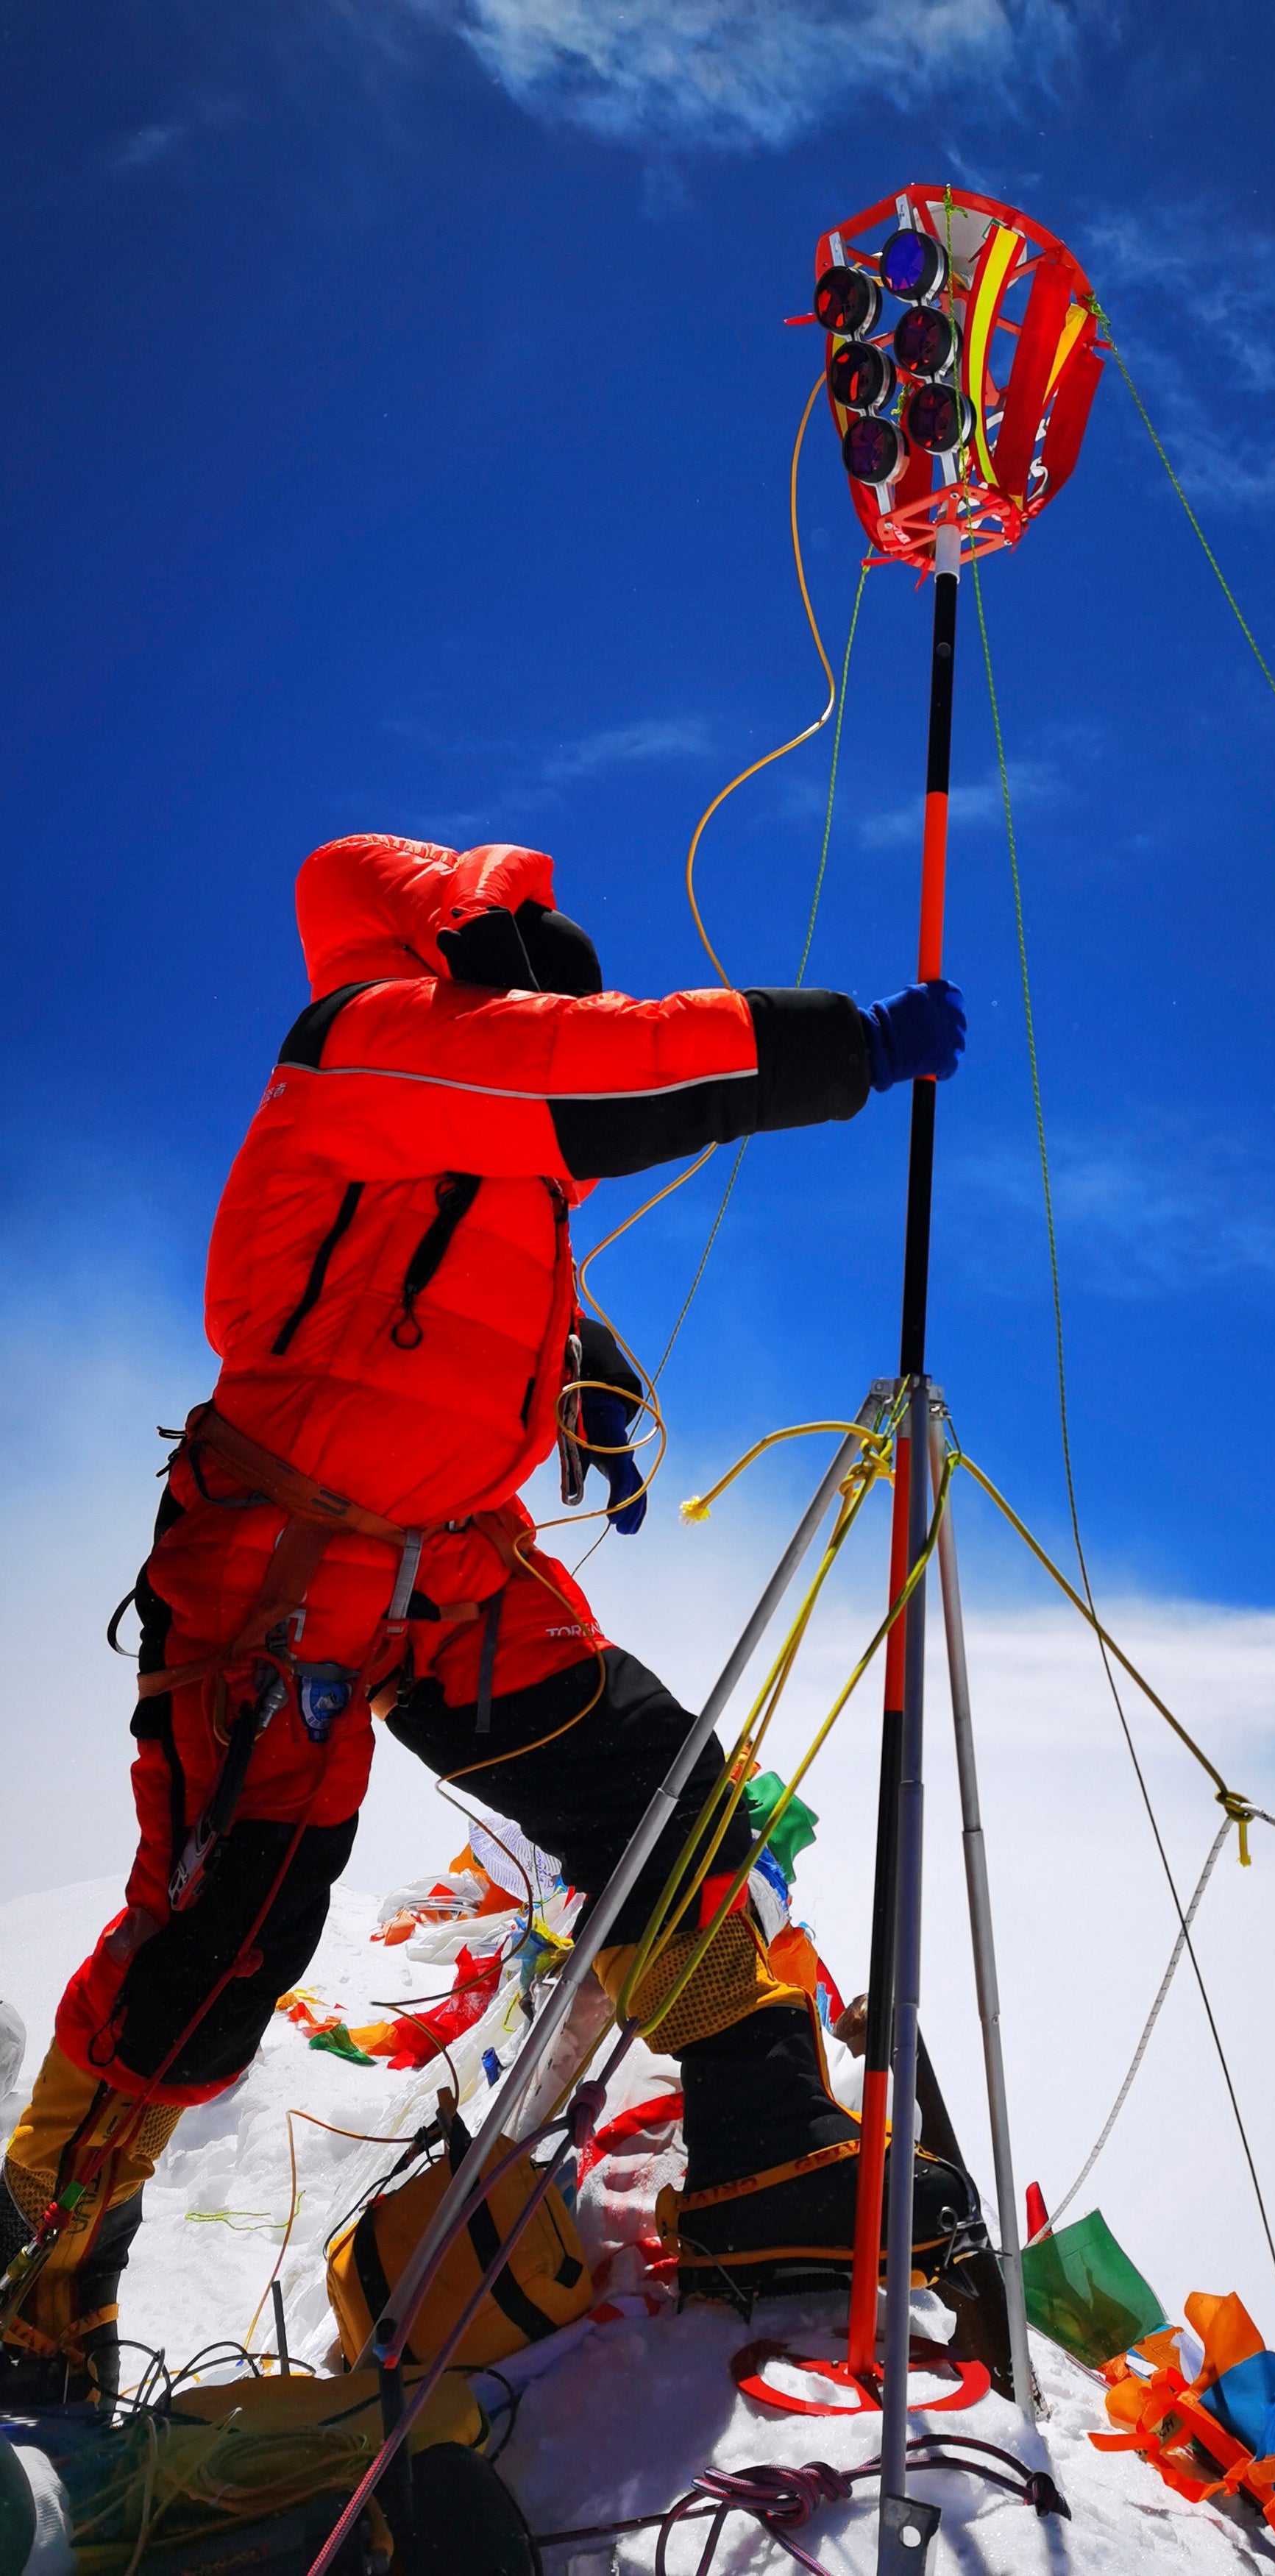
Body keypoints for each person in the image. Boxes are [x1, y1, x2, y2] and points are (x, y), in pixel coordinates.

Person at [0, 832, 972, 2405]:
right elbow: (581, 1082)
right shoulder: (362, 1043)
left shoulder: (467, 1109)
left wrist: (574, 1371)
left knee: (659, 1789)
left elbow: (474, 1245)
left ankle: (765, 2151)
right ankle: (40, 2274)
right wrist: (839, 1046)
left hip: (451, 1557)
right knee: (221, 1931)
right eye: (526, 952)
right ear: (452, 944)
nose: (553, 978)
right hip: (281, 1567)